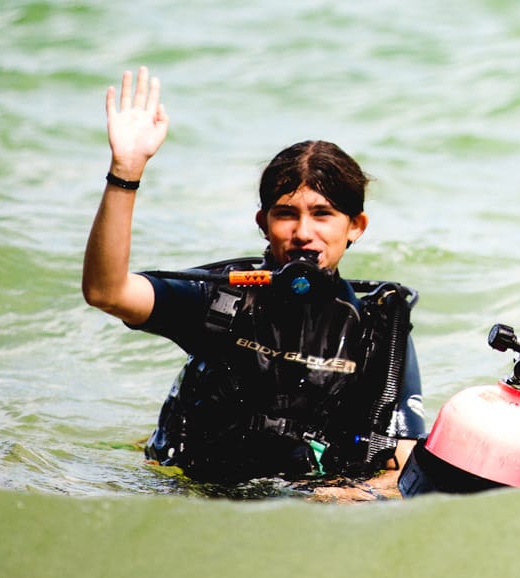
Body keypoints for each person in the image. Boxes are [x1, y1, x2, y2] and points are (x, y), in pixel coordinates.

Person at [82, 67, 425, 499]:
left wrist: (341, 498)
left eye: (323, 214)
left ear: (355, 226)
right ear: (263, 223)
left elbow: (405, 467)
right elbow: (105, 291)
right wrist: (125, 172)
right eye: (286, 214)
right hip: (191, 492)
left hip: (309, 508)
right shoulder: (221, 298)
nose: (303, 232)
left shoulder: (377, 325)